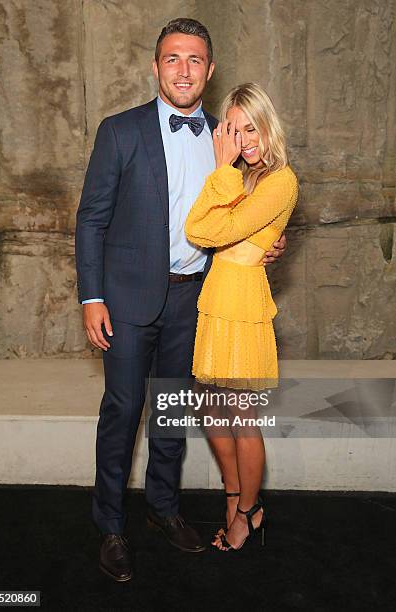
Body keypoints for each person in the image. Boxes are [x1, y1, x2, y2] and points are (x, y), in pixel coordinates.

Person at [75, 19, 287, 581]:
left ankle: (164, 511)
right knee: (122, 412)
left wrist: (269, 242)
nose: (184, 70)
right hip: (125, 301)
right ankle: (111, 526)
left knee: (171, 414)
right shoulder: (119, 132)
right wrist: (92, 297)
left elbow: (249, 215)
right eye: (173, 59)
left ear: (210, 71)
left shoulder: (230, 138)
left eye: (195, 60)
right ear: (156, 66)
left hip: (195, 302)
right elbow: (91, 218)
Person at [185, 82, 298, 551]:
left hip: (244, 307)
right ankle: (234, 496)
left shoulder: (280, 179)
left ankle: (250, 512)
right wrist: (228, 175)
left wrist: (219, 167)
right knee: (211, 407)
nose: (244, 140)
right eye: (232, 130)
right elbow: (204, 228)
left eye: (251, 128)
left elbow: (205, 229)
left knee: (243, 416)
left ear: (268, 126)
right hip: (217, 300)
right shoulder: (245, 176)